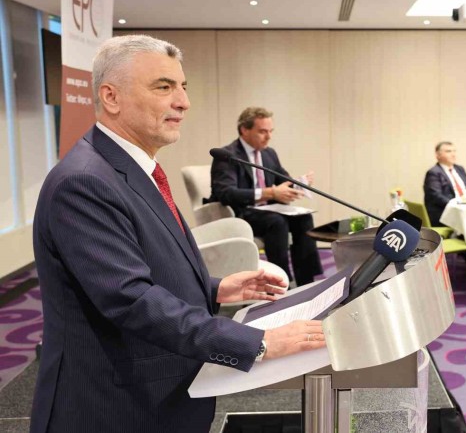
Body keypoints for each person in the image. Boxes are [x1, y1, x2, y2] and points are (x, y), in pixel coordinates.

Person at [31, 35, 326, 433]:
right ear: (111, 97)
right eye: (163, 87)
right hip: (112, 407)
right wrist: (258, 342)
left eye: (183, 86)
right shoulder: (84, 182)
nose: (183, 102)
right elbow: (131, 300)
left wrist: (215, 288)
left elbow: (140, 265)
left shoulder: (134, 167)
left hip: (158, 392)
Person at [209, 107, 323, 286]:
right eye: (262, 131)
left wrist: (299, 183)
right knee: (276, 222)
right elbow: (226, 193)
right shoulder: (228, 155)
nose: (268, 136)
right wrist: (269, 193)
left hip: (268, 210)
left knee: (304, 218)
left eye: (271, 131)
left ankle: (306, 281)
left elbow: (283, 179)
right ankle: (281, 282)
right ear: (244, 130)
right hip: (241, 212)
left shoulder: (269, 153)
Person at [423, 141, 466, 227]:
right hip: (447, 213)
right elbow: (436, 196)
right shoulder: (433, 172)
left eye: (454, 151)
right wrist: (458, 204)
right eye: (448, 151)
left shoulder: (460, 169)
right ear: (438, 155)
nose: (453, 154)